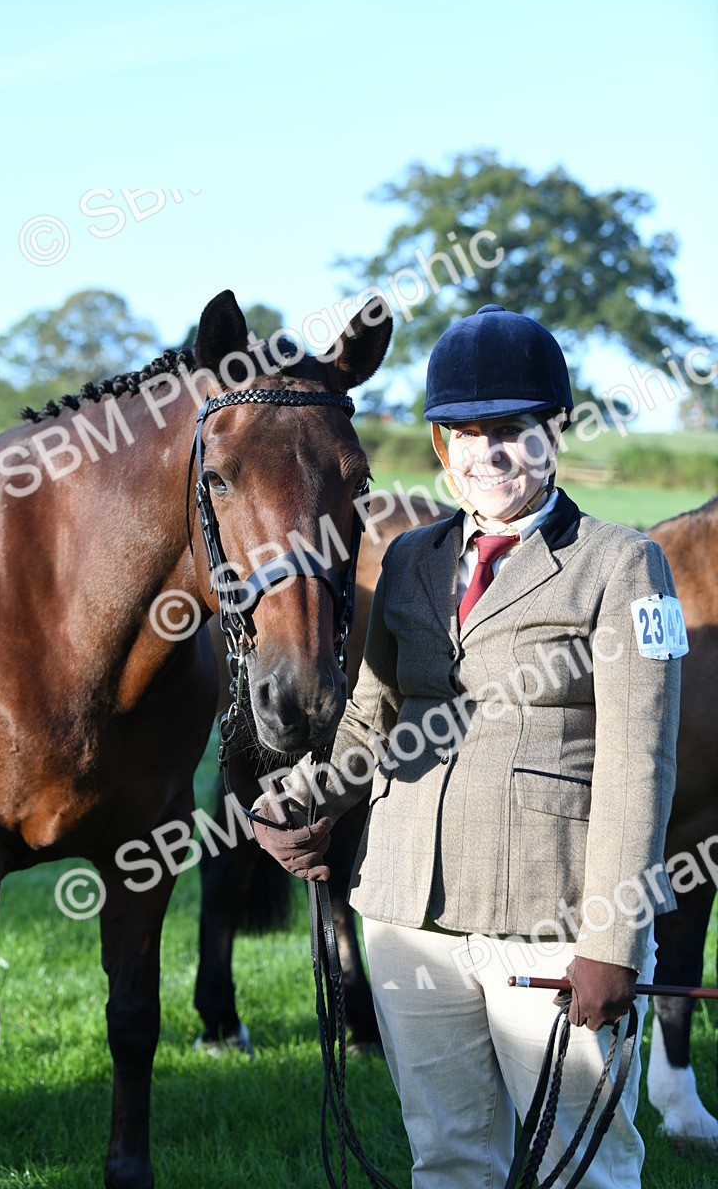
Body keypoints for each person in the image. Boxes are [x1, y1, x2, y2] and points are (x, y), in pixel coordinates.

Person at [252, 304, 684, 1188]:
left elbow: (642, 764)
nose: (491, 455)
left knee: (586, 1167)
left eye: (513, 432)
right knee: (448, 1159)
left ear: (553, 432)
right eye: (466, 434)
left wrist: (615, 938)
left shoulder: (625, 566)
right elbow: (373, 721)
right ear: (441, 447)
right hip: (407, 915)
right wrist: (298, 799)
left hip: (553, 928)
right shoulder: (407, 558)